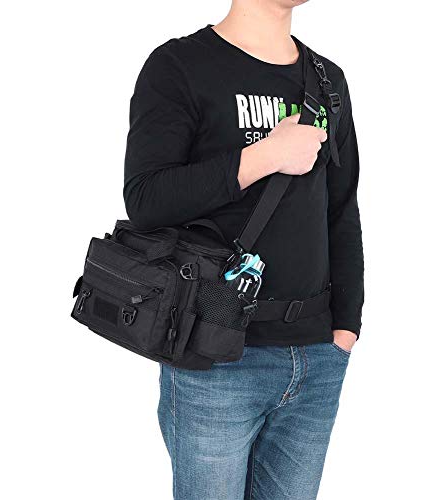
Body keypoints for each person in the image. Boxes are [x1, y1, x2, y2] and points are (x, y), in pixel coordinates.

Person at [123, 0, 364, 498]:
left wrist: (345, 329)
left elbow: (341, 210)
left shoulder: (328, 80)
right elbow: (146, 200)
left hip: (316, 356)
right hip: (214, 358)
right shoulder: (179, 66)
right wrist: (265, 155)